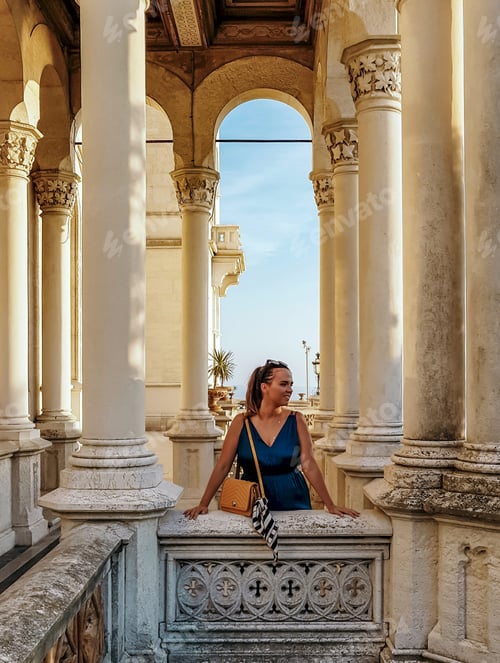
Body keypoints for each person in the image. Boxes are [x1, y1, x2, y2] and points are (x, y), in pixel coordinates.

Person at [184, 359, 360, 520]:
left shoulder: (296, 420)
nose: (290, 389)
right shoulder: (241, 422)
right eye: (283, 384)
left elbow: (309, 464)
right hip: (252, 502)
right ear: (264, 387)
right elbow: (223, 465)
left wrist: (330, 505)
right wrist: (203, 503)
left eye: (291, 384)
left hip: (293, 499)